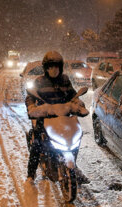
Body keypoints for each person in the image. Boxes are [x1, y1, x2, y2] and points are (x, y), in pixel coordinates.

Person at [25, 51, 77, 181]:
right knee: (37, 144)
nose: (54, 70)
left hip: (63, 118)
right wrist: (31, 107)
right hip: (45, 118)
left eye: (56, 66)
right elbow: (30, 97)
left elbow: (73, 95)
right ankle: (31, 174)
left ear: (61, 67)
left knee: (74, 141)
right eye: (50, 67)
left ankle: (72, 165)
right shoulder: (39, 81)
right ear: (46, 68)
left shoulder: (65, 80)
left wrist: (78, 104)